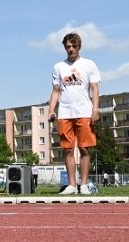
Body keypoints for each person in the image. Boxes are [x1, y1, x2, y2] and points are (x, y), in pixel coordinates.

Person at [47, 32, 100, 195]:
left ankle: (83, 185)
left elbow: (95, 89)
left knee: (84, 148)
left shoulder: (89, 64)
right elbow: (55, 91)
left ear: (79, 46)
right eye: (68, 46)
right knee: (68, 149)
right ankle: (71, 184)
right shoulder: (58, 67)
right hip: (65, 112)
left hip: (84, 111)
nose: (71, 49)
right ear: (65, 48)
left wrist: (95, 109)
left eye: (73, 46)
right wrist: (51, 109)